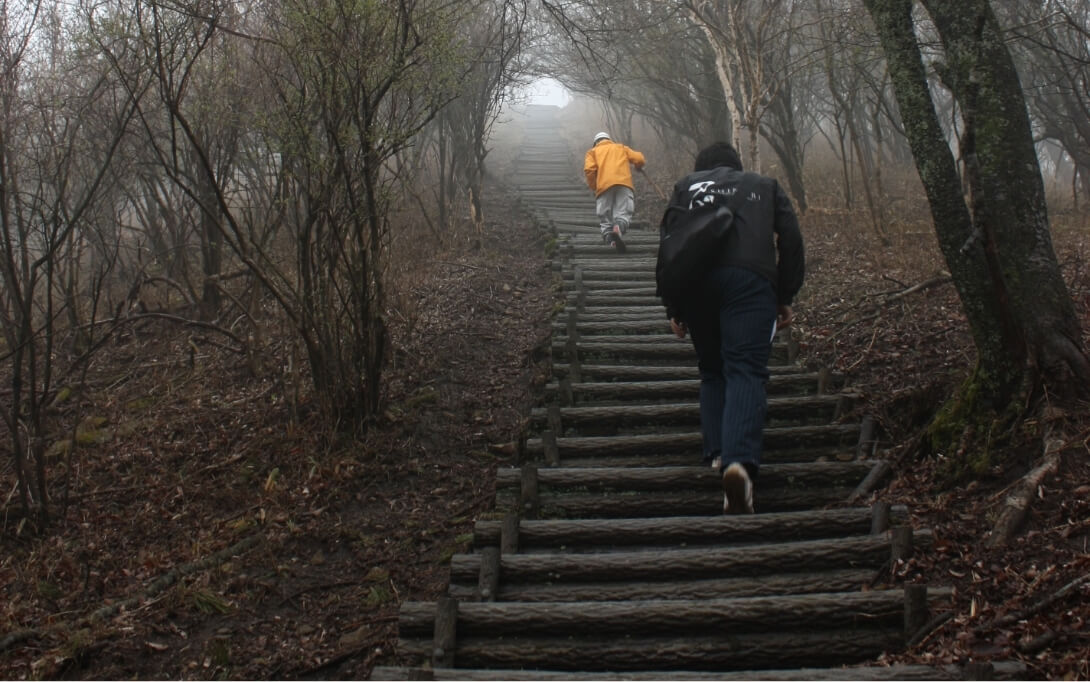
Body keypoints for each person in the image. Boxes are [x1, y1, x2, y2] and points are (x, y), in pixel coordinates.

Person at [658, 142, 804, 514]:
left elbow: (669, 245)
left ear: (701, 167)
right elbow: (791, 240)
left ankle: (718, 452)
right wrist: (784, 294)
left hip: (696, 284)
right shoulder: (765, 185)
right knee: (745, 368)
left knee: (711, 368)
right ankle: (739, 463)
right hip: (750, 281)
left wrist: (674, 306)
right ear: (736, 166)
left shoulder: (687, 186)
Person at [583, 131, 646, 253]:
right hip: (624, 184)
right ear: (608, 139)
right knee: (623, 212)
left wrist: (595, 186)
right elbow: (639, 158)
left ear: (596, 142)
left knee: (605, 217)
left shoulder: (592, 152)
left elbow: (589, 170)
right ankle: (618, 227)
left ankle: (610, 240)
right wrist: (638, 165)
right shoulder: (620, 147)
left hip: (604, 186)